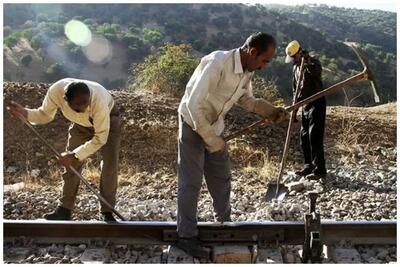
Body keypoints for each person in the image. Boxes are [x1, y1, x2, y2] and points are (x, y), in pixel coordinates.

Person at [176, 32, 288, 258]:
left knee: (221, 176)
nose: (264, 66)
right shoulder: (218, 62)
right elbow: (192, 105)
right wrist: (210, 139)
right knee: (191, 181)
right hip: (191, 123)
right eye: (264, 60)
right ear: (252, 52)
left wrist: (270, 110)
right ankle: (186, 236)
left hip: (214, 125)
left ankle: (224, 225)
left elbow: (246, 99)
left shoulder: (247, 71)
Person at [7, 78, 121, 221]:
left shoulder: (98, 100)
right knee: (71, 165)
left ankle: (107, 212)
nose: (83, 108)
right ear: (65, 101)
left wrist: (74, 154)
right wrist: (26, 113)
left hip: (108, 123)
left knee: (109, 167)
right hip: (80, 126)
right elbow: (44, 115)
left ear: (89, 97)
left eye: (85, 103)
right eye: (77, 106)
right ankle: (64, 210)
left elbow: (100, 139)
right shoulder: (56, 91)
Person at [285, 40, 327, 180]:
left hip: (317, 103)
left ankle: (319, 169)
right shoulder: (295, 68)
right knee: (304, 137)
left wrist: (307, 61)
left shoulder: (313, 62)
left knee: (314, 136)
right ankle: (308, 165)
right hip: (305, 105)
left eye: (294, 57)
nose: (292, 60)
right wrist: (294, 112)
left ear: (299, 53)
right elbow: (295, 91)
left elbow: (316, 72)